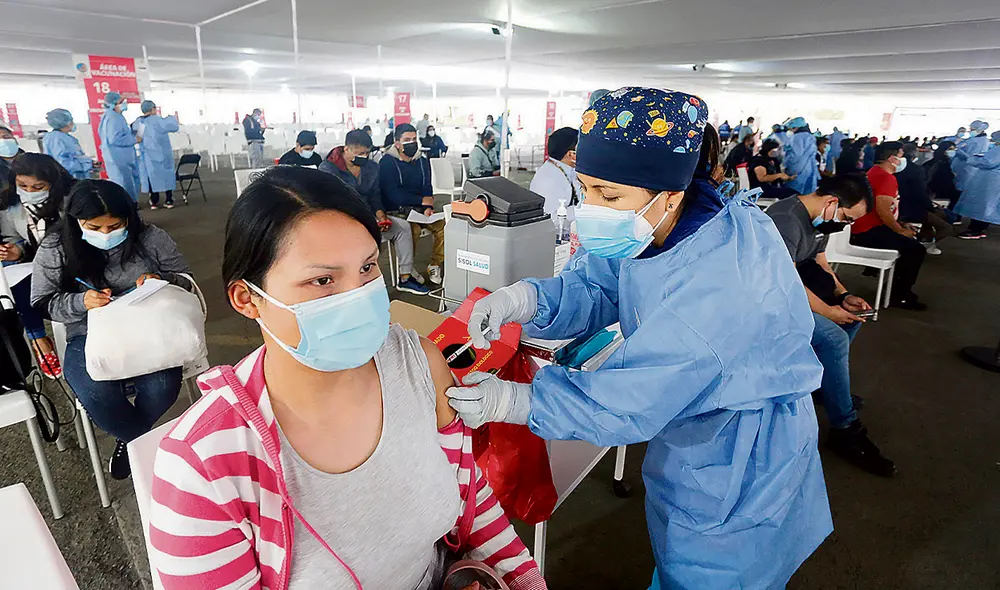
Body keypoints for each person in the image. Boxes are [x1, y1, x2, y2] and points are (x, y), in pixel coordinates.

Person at [446, 87, 832, 590]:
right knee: (679, 558)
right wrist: (526, 301)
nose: (592, 208)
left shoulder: (718, 287)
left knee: (712, 570)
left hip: (737, 459)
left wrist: (513, 399)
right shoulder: (670, 222)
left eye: (608, 196)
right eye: (584, 189)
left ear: (668, 194)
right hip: (702, 429)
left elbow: (626, 402)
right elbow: (605, 280)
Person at [148, 166, 544, 590]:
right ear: (248, 300)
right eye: (322, 280)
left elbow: (471, 499)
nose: (357, 296)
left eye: (367, 268)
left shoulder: (418, 365)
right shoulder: (204, 468)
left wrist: (525, 582)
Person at [31, 179, 190, 479]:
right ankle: (143, 444)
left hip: (149, 326)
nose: (106, 234)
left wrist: (162, 281)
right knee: (95, 391)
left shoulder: (151, 238)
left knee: (162, 387)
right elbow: (42, 302)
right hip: (88, 333)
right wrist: (81, 302)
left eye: (115, 226)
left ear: (128, 217)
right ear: (76, 221)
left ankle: (129, 441)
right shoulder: (56, 247)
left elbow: (185, 279)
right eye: (94, 227)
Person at [765, 175, 895, 477]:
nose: (845, 225)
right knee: (834, 337)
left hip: (791, 290)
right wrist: (828, 312)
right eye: (847, 219)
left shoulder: (818, 219)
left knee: (851, 323)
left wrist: (844, 296)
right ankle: (845, 428)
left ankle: (823, 384)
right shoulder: (786, 219)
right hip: (768, 299)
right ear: (832, 202)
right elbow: (787, 279)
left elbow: (820, 261)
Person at [321, 130, 429, 295]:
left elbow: (375, 196)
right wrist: (363, 221)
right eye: (359, 153)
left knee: (403, 227)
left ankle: (405, 277)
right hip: (342, 222)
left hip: (370, 218)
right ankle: (355, 284)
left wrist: (381, 216)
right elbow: (331, 205)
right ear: (346, 149)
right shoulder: (329, 169)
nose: (364, 156)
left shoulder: (371, 167)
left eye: (367, 152)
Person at [0, 153, 74, 378]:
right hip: (33, 265)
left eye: (38, 186)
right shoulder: (9, 206)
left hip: (72, 261)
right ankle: (40, 341)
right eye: (22, 185)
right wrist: (17, 250)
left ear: (53, 183)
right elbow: (13, 238)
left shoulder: (71, 199)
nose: (29, 192)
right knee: (19, 290)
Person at [850, 142, 927, 310]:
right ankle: (900, 295)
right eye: (901, 155)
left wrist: (900, 224)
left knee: (909, 245)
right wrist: (899, 230)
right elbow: (883, 210)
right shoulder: (886, 178)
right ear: (892, 159)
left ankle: (894, 287)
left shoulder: (874, 172)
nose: (903, 159)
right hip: (867, 231)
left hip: (864, 227)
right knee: (915, 250)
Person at [379, 123, 445, 286]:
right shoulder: (387, 163)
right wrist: (421, 201)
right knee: (412, 230)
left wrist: (428, 206)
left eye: (414, 139)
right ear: (397, 143)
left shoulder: (422, 162)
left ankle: (434, 264)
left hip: (420, 210)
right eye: (407, 140)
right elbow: (393, 194)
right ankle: (407, 268)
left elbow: (426, 186)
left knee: (445, 226)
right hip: (398, 210)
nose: (412, 143)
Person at [896, 142, 953, 252]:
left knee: (931, 219)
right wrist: (930, 206)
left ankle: (923, 240)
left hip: (901, 205)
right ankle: (922, 246)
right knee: (946, 227)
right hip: (910, 208)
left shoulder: (894, 168)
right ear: (915, 154)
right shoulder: (916, 170)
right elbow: (919, 193)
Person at [131, 100, 180, 210]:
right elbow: (174, 126)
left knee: (151, 177)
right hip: (163, 153)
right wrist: (171, 117)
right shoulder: (158, 120)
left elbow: (138, 136)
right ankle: (169, 199)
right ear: (153, 109)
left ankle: (154, 201)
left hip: (148, 155)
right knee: (167, 175)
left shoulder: (140, 122)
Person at [954, 130, 1000, 239]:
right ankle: (978, 227)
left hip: (990, 181)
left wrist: (973, 158)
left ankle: (976, 229)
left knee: (983, 204)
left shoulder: (998, 150)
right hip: (992, 181)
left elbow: (988, 162)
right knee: (988, 205)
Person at [529, 127, 581, 219]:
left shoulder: (567, 169)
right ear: (570, 154)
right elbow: (552, 219)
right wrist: (584, 210)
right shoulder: (548, 180)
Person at [97, 92, 140, 202]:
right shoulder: (114, 118)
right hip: (119, 157)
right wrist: (135, 139)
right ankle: (130, 209)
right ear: (113, 104)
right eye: (121, 102)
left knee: (122, 184)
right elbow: (115, 139)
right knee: (124, 185)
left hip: (116, 156)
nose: (125, 103)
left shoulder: (110, 117)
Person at [42, 109, 95, 180]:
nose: (72, 123)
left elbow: (75, 156)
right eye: (71, 120)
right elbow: (63, 163)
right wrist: (87, 164)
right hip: (69, 178)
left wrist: (89, 162)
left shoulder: (62, 137)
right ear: (66, 123)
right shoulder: (57, 139)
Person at [783, 116, 820, 195]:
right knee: (808, 193)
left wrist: (785, 164)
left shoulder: (797, 137)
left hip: (798, 168)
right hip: (809, 168)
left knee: (794, 193)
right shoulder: (810, 136)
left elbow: (796, 154)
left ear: (795, 127)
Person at [951, 120, 990, 192]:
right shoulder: (972, 139)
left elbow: (971, 156)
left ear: (979, 130)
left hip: (968, 168)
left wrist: (958, 151)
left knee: (962, 188)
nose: (970, 131)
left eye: (972, 129)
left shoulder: (982, 141)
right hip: (962, 167)